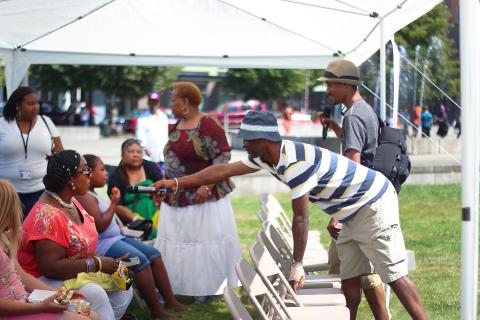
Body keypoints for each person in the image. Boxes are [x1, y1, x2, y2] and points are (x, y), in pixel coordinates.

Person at [154, 111, 428, 320]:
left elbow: (301, 218)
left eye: (247, 141)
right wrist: (177, 183)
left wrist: (297, 264)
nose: (243, 146)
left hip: (373, 204)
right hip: (351, 211)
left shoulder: (296, 163)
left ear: (262, 140)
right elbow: (223, 171)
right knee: (350, 277)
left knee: (394, 274)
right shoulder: (266, 156)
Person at [310, 59, 386, 318]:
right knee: (366, 270)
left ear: (346, 85)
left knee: (348, 271)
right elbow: (360, 145)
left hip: (356, 204)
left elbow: (354, 163)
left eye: (332, 84)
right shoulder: (364, 110)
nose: (328, 89)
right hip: (370, 199)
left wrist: (338, 214)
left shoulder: (353, 115)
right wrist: (333, 126)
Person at [153, 82, 242, 303]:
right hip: (176, 195)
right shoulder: (177, 125)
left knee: (203, 242)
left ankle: (207, 288)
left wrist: (207, 185)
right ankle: (177, 285)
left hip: (204, 197)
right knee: (178, 241)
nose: (170, 103)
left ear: (185, 102)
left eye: (173, 99)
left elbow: (223, 156)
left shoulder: (208, 124)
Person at [17, 150, 133, 320]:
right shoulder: (48, 216)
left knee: (124, 285)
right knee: (95, 293)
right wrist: (97, 264)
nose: (90, 175)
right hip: (40, 280)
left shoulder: (71, 201)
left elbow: (78, 248)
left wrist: (107, 264)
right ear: (70, 178)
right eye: (86, 171)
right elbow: (50, 268)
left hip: (72, 271)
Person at [77, 154, 186, 318]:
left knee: (154, 255)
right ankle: (156, 310)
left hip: (116, 238)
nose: (106, 173)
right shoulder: (85, 197)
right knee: (140, 261)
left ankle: (170, 301)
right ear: (89, 174)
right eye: (102, 169)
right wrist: (114, 203)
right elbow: (100, 225)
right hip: (104, 244)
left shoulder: (92, 193)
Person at [0, 179, 99, 320]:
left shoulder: (4, 238)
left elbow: (21, 276)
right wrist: (41, 307)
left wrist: (61, 293)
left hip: (23, 302)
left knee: (91, 313)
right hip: (12, 312)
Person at [0, 87, 64, 217]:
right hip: (7, 192)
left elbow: (61, 154)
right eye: (30, 104)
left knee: (35, 233)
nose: (35, 107)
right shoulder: (2, 124)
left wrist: (54, 160)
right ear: (17, 105)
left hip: (40, 190)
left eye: (37, 103)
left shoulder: (46, 122)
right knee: (9, 233)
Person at [107, 139, 163, 238]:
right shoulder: (116, 175)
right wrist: (138, 220)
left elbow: (163, 188)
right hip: (133, 219)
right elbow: (117, 205)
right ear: (122, 154)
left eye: (138, 152)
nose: (135, 155)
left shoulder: (150, 167)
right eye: (131, 151)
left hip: (157, 214)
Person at [136, 92, 169, 170]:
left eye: (155, 102)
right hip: (149, 156)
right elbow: (139, 135)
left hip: (163, 155)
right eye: (151, 102)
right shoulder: (142, 118)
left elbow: (166, 135)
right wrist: (144, 147)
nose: (153, 104)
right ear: (148, 102)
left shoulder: (163, 117)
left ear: (158, 103)